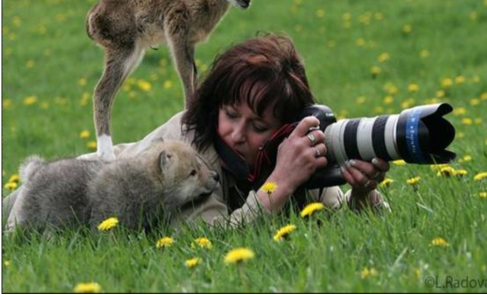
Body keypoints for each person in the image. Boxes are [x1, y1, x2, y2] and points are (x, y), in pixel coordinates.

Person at [3, 34, 390, 229]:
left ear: (285, 131)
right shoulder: (188, 149)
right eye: (230, 114)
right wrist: (280, 185)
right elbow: (213, 242)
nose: (237, 133)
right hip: (59, 193)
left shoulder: (293, 151)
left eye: (258, 126)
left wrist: (363, 194)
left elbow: (343, 224)